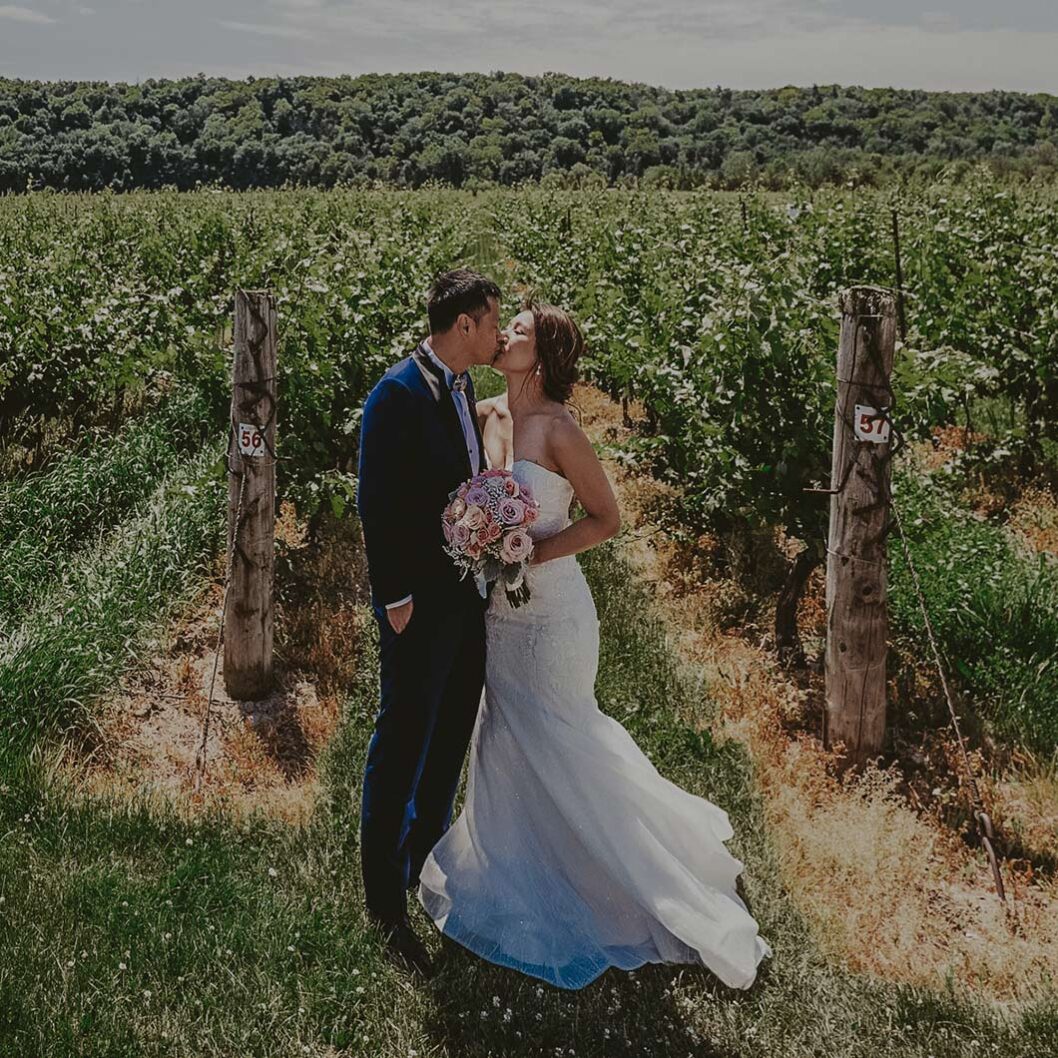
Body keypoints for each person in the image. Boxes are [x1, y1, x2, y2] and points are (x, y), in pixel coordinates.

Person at [416, 301, 773, 990]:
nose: (503, 336)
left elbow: (607, 518)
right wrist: (473, 533)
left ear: (543, 355)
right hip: (500, 616)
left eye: (516, 331)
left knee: (564, 735)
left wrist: (533, 548)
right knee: (507, 737)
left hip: (554, 616)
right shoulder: (485, 411)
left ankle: (635, 876)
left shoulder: (560, 429)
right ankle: (520, 861)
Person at [355, 268, 506, 975]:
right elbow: (377, 504)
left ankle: (425, 863)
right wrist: (396, 600)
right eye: (492, 321)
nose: (500, 334)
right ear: (465, 324)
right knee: (404, 739)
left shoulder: (461, 385)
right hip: (419, 604)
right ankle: (383, 900)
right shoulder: (396, 393)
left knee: (448, 738)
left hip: (466, 597)